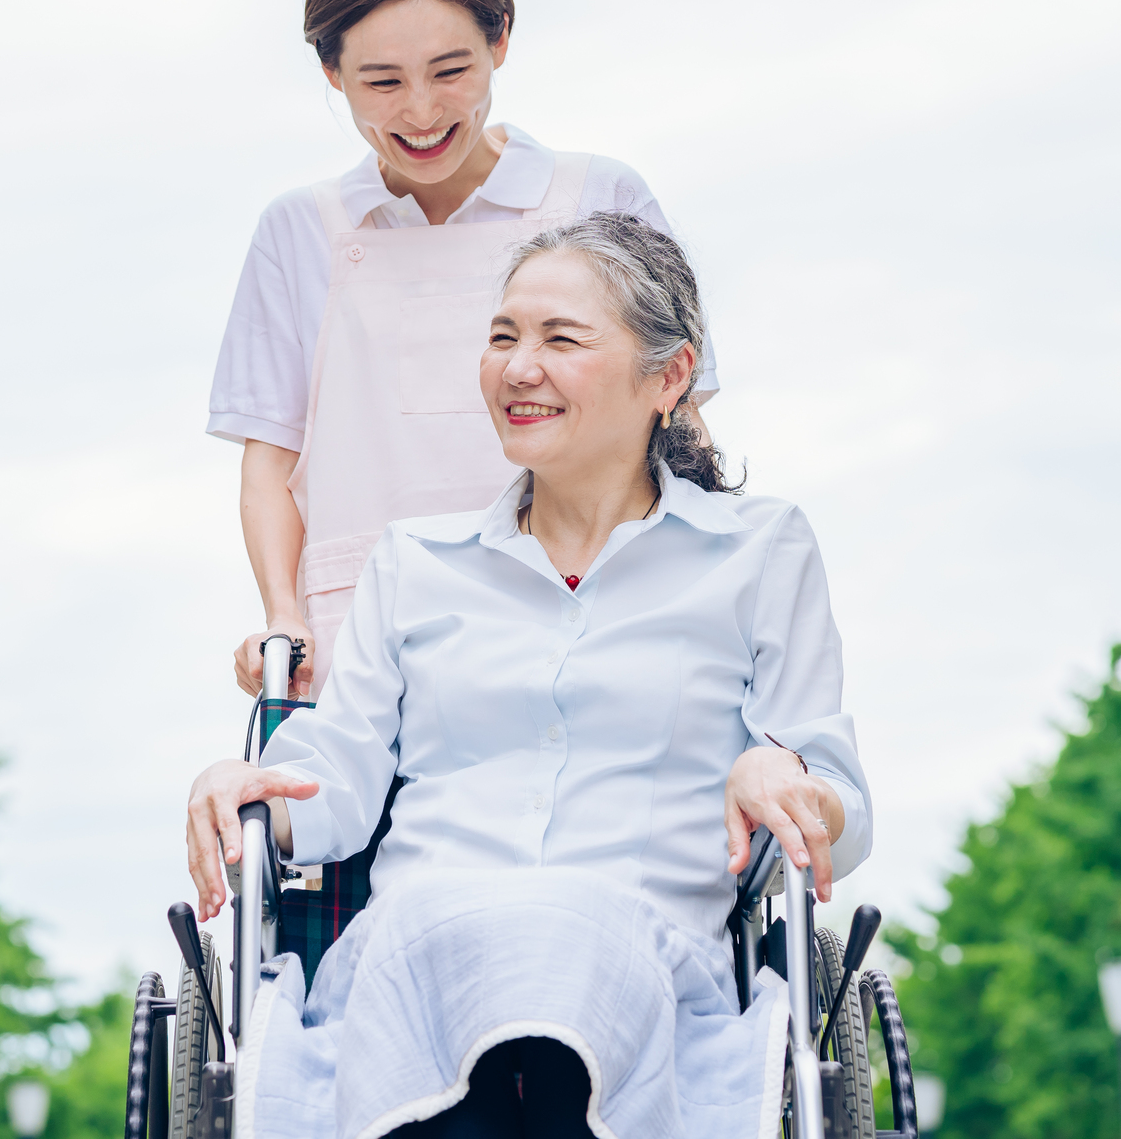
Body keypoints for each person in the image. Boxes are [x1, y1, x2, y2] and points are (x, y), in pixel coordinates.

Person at [184, 214, 870, 1138]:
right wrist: (250, 784)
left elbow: (842, 810)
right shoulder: (416, 562)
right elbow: (336, 778)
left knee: (568, 931)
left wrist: (783, 776)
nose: (517, 365)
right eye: (502, 336)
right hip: (420, 961)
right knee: (481, 938)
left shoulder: (758, 551)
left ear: (669, 377)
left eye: (559, 338)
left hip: (647, 972)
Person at [209, 0, 720, 700]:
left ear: (501, 40)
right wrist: (284, 614)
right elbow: (270, 459)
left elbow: (678, 419)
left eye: (451, 71)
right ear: (331, 73)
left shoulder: (601, 195)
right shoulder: (300, 232)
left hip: (595, 616)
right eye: (381, 81)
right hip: (370, 638)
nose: (420, 111)